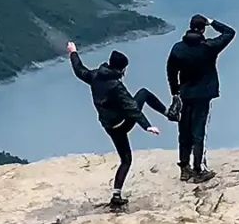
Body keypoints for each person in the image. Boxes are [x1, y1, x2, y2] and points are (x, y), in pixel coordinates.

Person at [67, 41, 165, 207]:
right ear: (122, 69)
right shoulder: (116, 86)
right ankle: (168, 113)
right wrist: (147, 125)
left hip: (109, 126)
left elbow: (79, 70)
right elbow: (132, 108)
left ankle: (116, 196)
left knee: (125, 160)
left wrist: (73, 52)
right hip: (122, 123)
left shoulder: (95, 75)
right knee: (143, 94)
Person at [165, 13, 235, 181]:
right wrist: (212, 22)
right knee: (198, 132)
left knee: (184, 131)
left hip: (185, 94)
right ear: (203, 29)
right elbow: (229, 32)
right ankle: (198, 169)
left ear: (189, 27)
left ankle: (184, 168)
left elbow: (171, 73)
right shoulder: (209, 47)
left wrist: (175, 93)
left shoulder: (177, 48)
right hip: (203, 95)